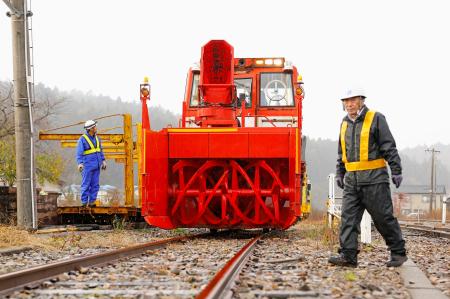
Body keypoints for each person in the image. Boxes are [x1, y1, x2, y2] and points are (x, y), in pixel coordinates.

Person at [328, 88, 407, 268]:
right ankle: (348, 256)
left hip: (375, 180)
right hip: (351, 182)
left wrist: (396, 169)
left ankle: (398, 253)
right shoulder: (344, 123)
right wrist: (340, 172)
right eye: (345, 101)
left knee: (383, 218)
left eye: (353, 100)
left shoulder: (376, 118)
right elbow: (342, 152)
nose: (349, 104)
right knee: (348, 219)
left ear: (362, 100)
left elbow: (389, 146)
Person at [76, 120, 107, 207]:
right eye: (94, 127)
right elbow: (79, 152)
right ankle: (84, 202)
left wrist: (103, 161)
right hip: (87, 166)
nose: (96, 128)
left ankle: (92, 202)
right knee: (86, 184)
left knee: (95, 185)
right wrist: (80, 163)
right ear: (90, 129)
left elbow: (100, 151)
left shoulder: (97, 138)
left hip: (97, 166)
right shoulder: (82, 139)